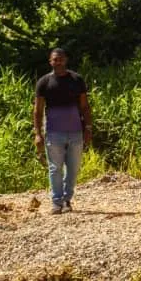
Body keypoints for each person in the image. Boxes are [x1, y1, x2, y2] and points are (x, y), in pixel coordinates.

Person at [33, 47, 92, 215]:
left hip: (75, 132)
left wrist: (88, 128)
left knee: (73, 168)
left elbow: (85, 106)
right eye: (54, 59)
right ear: (50, 62)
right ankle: (57, 202)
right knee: (55, 168)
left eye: (60, 59)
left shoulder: (76, 79)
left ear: (65, 60)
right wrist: (38, 133)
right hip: (53, 132)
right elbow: (37, 110)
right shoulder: (44, 82)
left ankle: (67, 199)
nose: (57, 62)